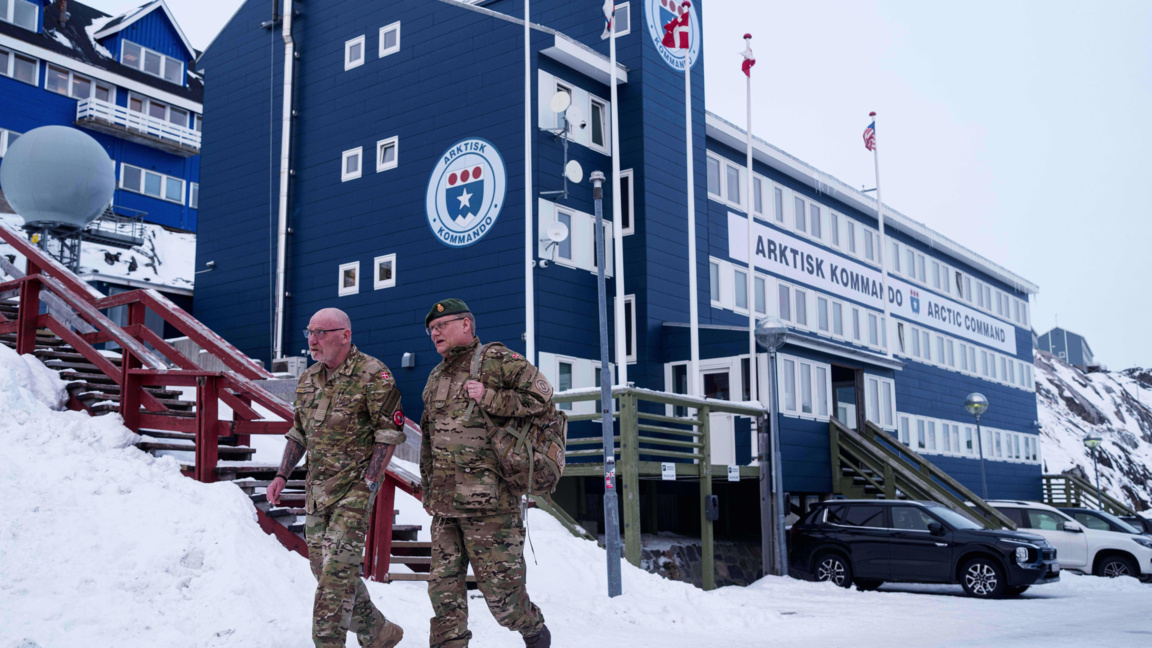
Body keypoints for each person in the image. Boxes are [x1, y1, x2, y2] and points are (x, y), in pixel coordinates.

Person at [267, 307, 406, 648]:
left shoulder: (374, 374)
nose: (313, 340)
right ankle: (377, 631)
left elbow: (388, 434)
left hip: (354, 491)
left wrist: (368, 486)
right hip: (317, 491)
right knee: (324, 567)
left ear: (345, 335)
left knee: (333, 577)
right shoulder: (309, 378)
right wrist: (282, 475)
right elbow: (299, 432)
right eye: (310, 332)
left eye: (321, 332)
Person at [419, 299, 553, 648]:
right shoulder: (436, 375)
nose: (435, 333)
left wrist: (491, 397)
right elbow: (429, 438)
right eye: (431, 329)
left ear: (466, 324)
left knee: (503, 599)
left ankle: (534, 631)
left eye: (442, 325)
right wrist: (429, 491)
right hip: (445, 506)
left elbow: (542, 397)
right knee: (443, 595)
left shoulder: (496, 360)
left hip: (490, 506)